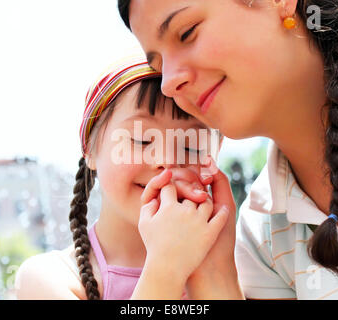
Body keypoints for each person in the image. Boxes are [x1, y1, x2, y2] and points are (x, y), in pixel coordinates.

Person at [117, 0, 338, 299]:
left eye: (187, 33)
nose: (168, 83)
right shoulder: (259, 239)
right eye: (159, 67)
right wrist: (213, 271)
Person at [14, 60, 232, 299]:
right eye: (141, 139)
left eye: (191, 145)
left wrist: (216, 268)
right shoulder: (49, 278)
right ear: (90, 150)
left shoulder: (238, 266)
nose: (167, 160)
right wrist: (166, 266)